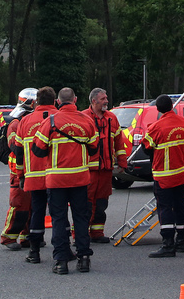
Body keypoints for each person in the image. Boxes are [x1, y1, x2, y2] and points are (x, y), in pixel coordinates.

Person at [31, 87, 98, 274]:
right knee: (81, 218)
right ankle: (84, 259)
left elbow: (37, 150)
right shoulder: (87, 121)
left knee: (59, 220)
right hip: (80, 178)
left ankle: (61, 262)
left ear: (58, 102)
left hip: (56, 180)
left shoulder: (50, 122)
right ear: (75, 100)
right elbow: (94, 149)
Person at [142, 94, 184, 257]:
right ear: (172, 106)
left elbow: (146, 147)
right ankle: (181, 242)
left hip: (163, 177)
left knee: (165, 208)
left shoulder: (155, 128)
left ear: (158, 109)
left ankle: (168, 245)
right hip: (181, 174)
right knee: (181, 206)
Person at [14, 86, 57, 264]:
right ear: (55, 101)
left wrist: (20, 173)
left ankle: (34, 251)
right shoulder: (60, 118)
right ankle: (62, 248)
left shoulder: (25, 121)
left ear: (36, 101)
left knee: (37, 212)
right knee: (58, 212)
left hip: (34, 175)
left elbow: (18, 151)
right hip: (56, 175)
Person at [85, 88, 128, 243]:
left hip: (105, 169)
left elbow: (119, 142)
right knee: (85, 204)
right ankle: (81, 235)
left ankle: (97, 233)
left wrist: (122, 161)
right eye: (103, 99)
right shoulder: (84, 117)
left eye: (106, 98)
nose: (106, 101)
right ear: (94, 101)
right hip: (88, 170)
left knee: (102, 202)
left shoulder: (112, 118)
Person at [0, 88, 37, 250]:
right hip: (18, 170)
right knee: (19, 205)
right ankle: (8, 238)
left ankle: (26, 237)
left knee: (33, 206)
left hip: (33, 169)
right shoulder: (15, 123)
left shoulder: (31, 120)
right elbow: (16, 148)